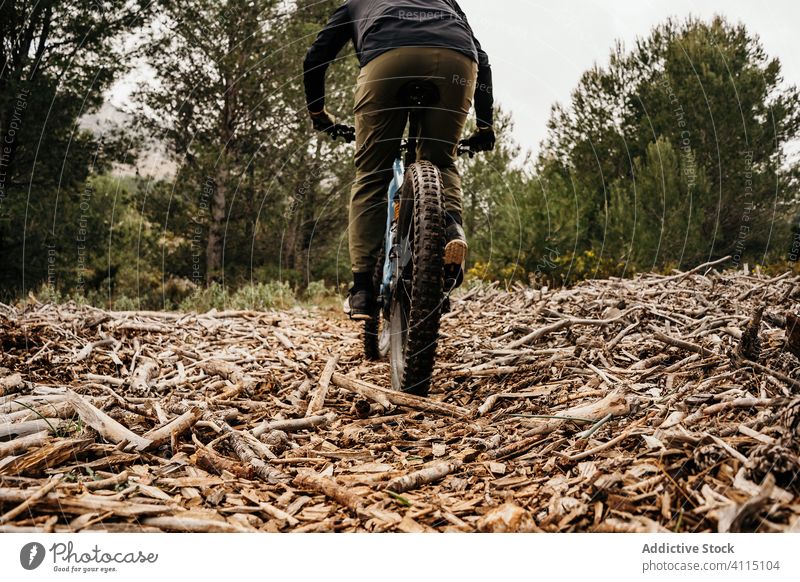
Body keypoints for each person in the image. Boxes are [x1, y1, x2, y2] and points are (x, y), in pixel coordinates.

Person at [303, 0, 496, 320]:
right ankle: (450, 235)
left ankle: (363, 289)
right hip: (455, 60)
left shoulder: (358, 3)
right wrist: (485, 126)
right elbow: (484, 61)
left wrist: (319, 113)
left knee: (371, 173)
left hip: (388, 61)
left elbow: (316, 57)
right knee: (441, 162)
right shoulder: (445, 2)